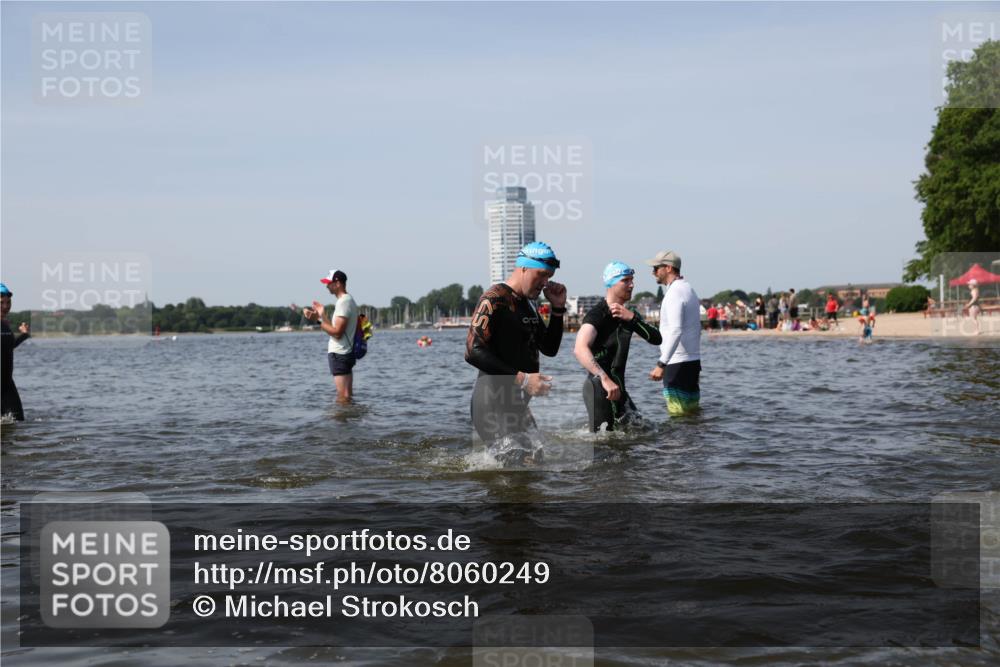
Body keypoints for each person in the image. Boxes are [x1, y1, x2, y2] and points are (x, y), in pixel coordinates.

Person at [465, 241, 567, 449]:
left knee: (534, 464)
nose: (545, 282)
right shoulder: (494, 299)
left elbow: (549, 348)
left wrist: (557, 309)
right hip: (492, 403)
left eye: (549, 276)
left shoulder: (528, 304)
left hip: (516, 404)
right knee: (514, 467)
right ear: (524, 268)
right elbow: (472, 351)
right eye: (542, 274)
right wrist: (523, 379)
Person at [574, 261, 662, 432]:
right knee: (603, 447)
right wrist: (605, 379)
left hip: (619, 389)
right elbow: (579, 348)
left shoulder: (629, 315)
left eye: (632, 280)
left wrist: (633, 319)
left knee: (643, 431)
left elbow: (657, 339)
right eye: (626, 280)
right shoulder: (598, 314)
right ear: (611, 283)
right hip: (600, 388)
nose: (632, 284)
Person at [645, 251, 701, 416]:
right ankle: (696, 442)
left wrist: (661, 364)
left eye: (656, 268)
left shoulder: (674, 293)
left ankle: (677, 443)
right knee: (691, 413)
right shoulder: (688, 288)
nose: (653, 272)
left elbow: (676, 330)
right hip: (692, 361)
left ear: (668, 268)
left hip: (677, 362)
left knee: (678, 415)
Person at [303, 270, 358, 403]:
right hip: (345, 353)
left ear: (338, 283)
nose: (326, 286)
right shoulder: (346, 300)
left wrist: (317, 320)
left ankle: (341, 422)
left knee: (343, 396)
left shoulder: (343, 302)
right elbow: (334, 329)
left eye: (329, 283)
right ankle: (349, 422)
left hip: (340, 354)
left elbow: (337, 333)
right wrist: (322, 314)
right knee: (347, 395)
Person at [1, 283, 30, 421]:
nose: (6, 307)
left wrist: (23, 335)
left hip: (7, 384)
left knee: (18, 422)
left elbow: (8, 346)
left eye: (8, 302)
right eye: (1, 303)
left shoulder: (4, 325)